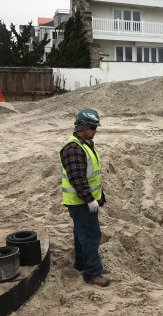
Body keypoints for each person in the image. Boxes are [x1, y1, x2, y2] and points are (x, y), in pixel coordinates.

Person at [60, 108, 110, 287]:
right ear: (85, 127)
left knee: (82, 233)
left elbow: (92, 175)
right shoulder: (73, 148)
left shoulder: (85, 144)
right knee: (90, 235)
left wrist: (99, 196)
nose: (96, 130)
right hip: (81, 202)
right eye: (94, 127)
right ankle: (92, 273)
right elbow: (77, 179)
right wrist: (89, 200)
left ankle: (81, 264)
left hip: (84, 201)